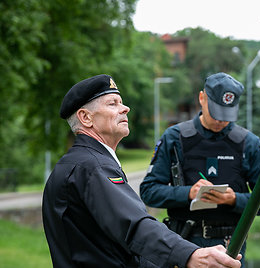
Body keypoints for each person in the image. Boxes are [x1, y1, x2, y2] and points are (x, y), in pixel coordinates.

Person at [42, 74, 241, 268]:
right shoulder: (93, 166)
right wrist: (191, 255)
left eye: (122, 102)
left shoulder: (80, 163)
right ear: (85, 118)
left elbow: (111, 245)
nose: (125, 108)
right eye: (113, 104)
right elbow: (134, 226)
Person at [140, 72, 260, 266]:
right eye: (216, 112)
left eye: (227, 115)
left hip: (230, 249)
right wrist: (188, 193)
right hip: (183, 247)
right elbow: (148, 191)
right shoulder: (174, 138)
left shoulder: (249, 144)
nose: (220, 121)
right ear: (202, 98)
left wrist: (234, 199)